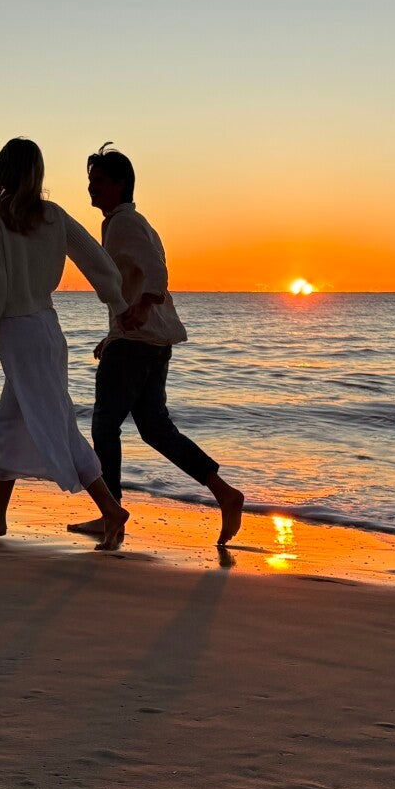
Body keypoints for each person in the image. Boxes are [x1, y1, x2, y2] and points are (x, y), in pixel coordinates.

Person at [0, 137, 134, 550]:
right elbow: (97, 260)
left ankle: (111, 509)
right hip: (47, 329)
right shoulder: (53, 216)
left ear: (2, 172)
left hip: (19, 334)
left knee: (57, 424)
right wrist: (117, 301)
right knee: (10, 421)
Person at [70, 143, 245, 546]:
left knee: (105, 425)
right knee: (154, 428)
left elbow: (156, 271)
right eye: (90, 181)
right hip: (147, 341)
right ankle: (224, 493)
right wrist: (114, 332)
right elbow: (137, 279)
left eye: (98, 181)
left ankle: (111, 515)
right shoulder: (127, 222)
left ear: (120, 184)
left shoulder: (124, 223)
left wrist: (142, 308)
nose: (91, 189)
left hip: (137, 342)